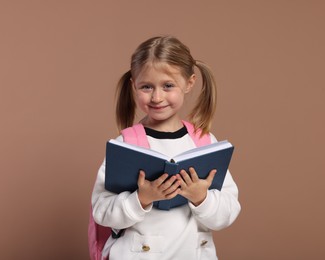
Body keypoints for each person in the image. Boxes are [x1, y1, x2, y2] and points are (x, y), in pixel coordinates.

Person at [91, 36, 241, 260]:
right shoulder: (126, 145)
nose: (157, 97)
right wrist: (141, 199)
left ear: (189, 83)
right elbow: (102, 212)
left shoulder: (204, 143)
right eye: (146, 87)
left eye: (168, 86)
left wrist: (202, 198)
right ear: (134, 85)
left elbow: (228, 212)